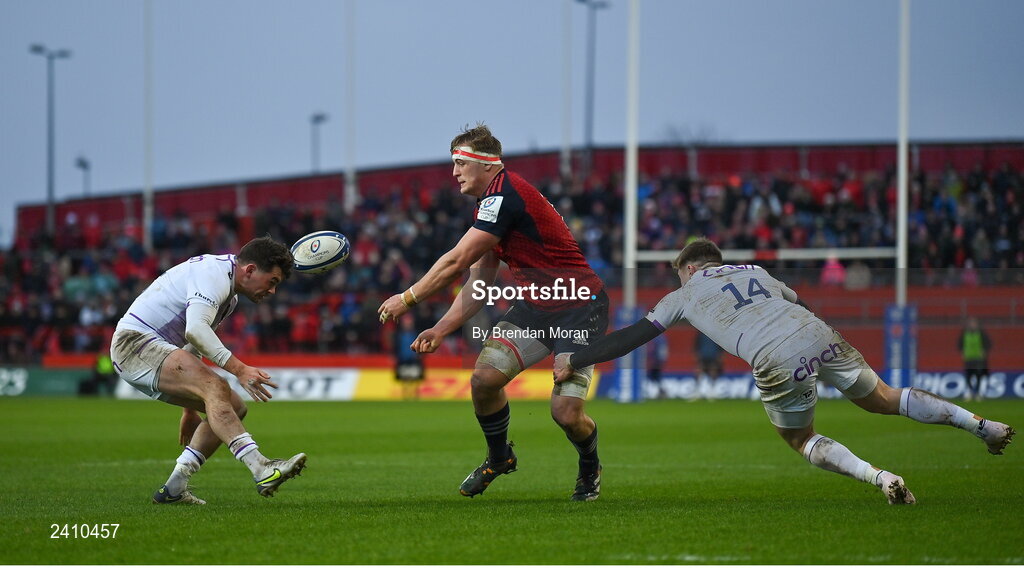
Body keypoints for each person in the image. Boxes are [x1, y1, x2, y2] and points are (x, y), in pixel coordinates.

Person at [555, 238, 1015, 504]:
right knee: (885, 399)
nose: (681, 280)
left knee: (799, 438)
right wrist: (820, 339)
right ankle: (981, 426)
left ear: (691, 267)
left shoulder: (686, 293)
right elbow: (801, 304)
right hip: (817, 330)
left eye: (681, 273)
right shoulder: (756, 270)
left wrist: (575, 359)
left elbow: (633, 335)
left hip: (775, 355)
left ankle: (882, 479)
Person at [378, 124, 609, 501]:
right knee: (484, 380)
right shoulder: (494, 203)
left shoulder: (503, 197)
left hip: (579, 308)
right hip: (536, 306)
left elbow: (456, 261)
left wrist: (407, 298)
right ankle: (499, 458)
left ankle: (589, 466)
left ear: (487, 166)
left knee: (566, 413)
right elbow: (477, 282)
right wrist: (440, 328)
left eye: (460, 162)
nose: (454, 172)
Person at [110, 236, 307, 505]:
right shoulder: (213, 274)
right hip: (135, 343)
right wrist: (239, 369)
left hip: (151, 348)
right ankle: (261, 468)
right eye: (271, 282)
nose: (272, 291)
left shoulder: (229, 295)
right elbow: (196, 330)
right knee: (217, 387)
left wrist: (190, 408)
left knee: (233, 406)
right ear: (249, 270)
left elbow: (194, 341)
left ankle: (174, 489)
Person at [958, 317, 992, 401]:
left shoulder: (981, 333)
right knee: (968, 376)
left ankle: (977, 393)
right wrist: (962, 351)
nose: (973, 325)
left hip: (978, 359)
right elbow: (959, 343)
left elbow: (988, 343)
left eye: (974, 324)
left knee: (978, 376)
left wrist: (984, 351)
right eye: (971, 324)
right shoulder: (965, 333)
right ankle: (969, 392)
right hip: (968, 358)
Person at [694, 330, 724, 400]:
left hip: (713, 355)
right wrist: (697, 354)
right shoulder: (701, 333)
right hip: (703, 355)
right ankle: (698, 390)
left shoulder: (716, 334)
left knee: (713, 371)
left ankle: (712, 389)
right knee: (699, 371)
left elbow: (721, 345)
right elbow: (696, 344)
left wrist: (720, 355)